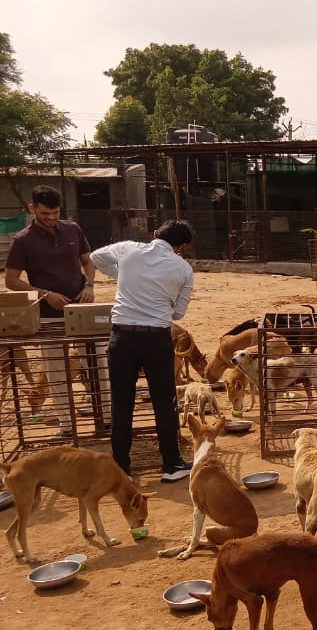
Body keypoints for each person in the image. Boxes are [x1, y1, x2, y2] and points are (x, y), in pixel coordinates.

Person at [90, 220, 195, 482]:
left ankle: (121, 468)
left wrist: (123, 275)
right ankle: (172, 464)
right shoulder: (183, 268)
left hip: (122, 337)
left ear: (156, 234)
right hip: (157, 339)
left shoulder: (128, 249)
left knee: (122, 403)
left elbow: (94, 257)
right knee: (164, 402)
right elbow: (179, 312)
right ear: (180, 247)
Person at [3, 185, 101, 437]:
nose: (50, 218)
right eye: (45, 213)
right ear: (32, 208)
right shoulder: (23, 240)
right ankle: (67, 425)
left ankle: (108, 418)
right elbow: (12, 280)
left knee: (99, 362)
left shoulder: (73, 229)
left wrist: (89, 285)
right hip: (47, 313)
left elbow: (88, 261)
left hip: (82, 308)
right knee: (55, 370)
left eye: (55, 213)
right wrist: (45, 294)